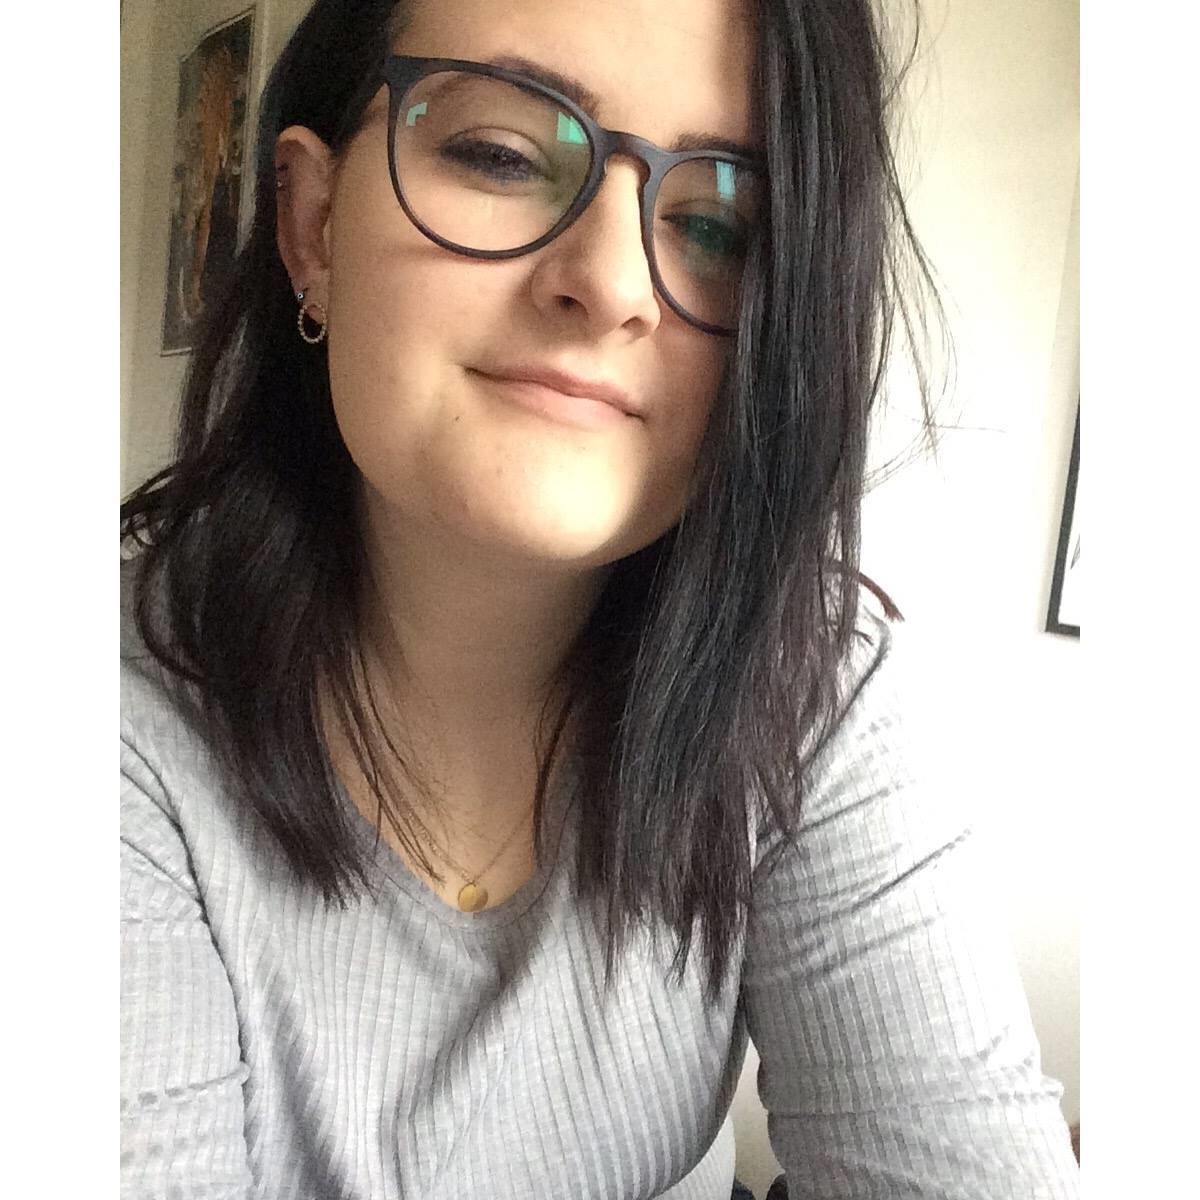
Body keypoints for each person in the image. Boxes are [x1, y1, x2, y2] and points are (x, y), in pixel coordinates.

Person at [119, 0, 1081, 1197]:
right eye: (501, 155)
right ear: (313, 223)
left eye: (719, 226)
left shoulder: (810, 696)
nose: (614, 283)